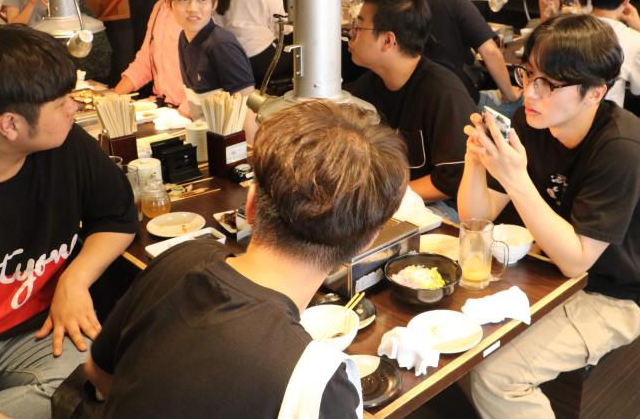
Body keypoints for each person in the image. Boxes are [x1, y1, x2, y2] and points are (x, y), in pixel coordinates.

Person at [85, 100, 409, 417]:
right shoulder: (319, 382)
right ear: (366, 242)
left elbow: (98, 370)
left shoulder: (179, 258)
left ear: (250, 206)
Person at [458, 14, 640, 419]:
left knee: (495, 375)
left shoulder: (622, 148)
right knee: (458, 346)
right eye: (528, 75)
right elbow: (476, 221)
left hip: (614, 295)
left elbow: (577, 261)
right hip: (546, 272)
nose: (530, 93)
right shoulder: (532, 120)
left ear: (595, 93)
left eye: (549, 84)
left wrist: (516, 178)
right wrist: (476, 162)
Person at [0, 25, 138, 419]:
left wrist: (73, 280)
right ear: (10, 125)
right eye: (62, 101)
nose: (74, 107)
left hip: (39, 331)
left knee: (92, 388)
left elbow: (117, 218)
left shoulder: (65, 145)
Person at [348, 0, 474, 208]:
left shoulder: (444, 93)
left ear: (388, 41)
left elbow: (453, 179)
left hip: (439, 207)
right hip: (389, 200)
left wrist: (383, 199)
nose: (351, 34)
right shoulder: (367, 87)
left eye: (359, 26)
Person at [113, 0, 202, 113]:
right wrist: (113, 96)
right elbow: (145, 61)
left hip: (189, 113)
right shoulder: (159, 7)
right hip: (164, 108)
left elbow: (206, 75)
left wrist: (183, 112)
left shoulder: (196, 13)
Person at [420, 0, 521, 108]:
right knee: (523, 102)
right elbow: (490, 52)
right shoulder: (457, 2)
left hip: (426, 99)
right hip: (462, 100)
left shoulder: (415, 3)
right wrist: (510, 94)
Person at [166, 0, 257, 137]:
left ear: (214, 4)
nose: (192, 8)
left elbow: (248, 107)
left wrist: (251, 152)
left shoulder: (221, 45)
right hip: (205, 138)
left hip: (230, 144)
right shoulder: (184, 37)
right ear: (169, 4)